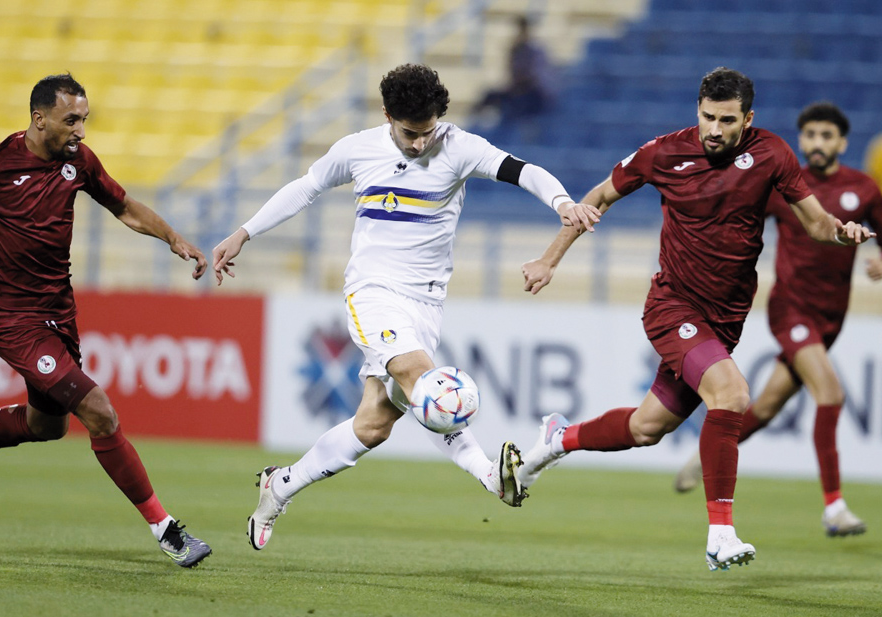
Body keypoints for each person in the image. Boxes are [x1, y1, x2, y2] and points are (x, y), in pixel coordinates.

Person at [210, 63, 600, 550]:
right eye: (410, 133)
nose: (420, 144)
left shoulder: (459, 147)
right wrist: (244, 231)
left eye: (428, 131)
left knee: (373, 425)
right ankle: (490, 478)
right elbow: (304, 188)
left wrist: (561, 203)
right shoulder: (358, 149)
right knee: (424, 379)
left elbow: (523, 171)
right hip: (373, 291)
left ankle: (280, 486)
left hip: (426, 303)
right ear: (387, 115)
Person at [515, 68, 876, 571]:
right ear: (697, 110)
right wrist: (550, 258)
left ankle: (556, 440)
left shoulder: (771, 153)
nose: (714, 129)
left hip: (724, 321)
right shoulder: (663, 153)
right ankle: (720, 535)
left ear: (747, 119)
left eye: (727, 120)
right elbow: (595, 198)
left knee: (646, 428)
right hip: (673, 307)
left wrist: (844, 235)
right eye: (707, 116)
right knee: (731, 395)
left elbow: (817, 224)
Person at [0, 74, 213, 568]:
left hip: (58, 317)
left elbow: (125, 207)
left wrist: (172, 238)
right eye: (71, 120)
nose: (81, 131)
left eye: (84, 120)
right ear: (39, 119)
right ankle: (167, 530)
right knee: (100, 411)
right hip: (12, 321)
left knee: (46, 426)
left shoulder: (79, 162)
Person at [673, 102, 882, 538]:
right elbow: (734, 216)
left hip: (831, 319)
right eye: (810, 135)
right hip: (790, 310)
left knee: (766, 407)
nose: (818, 144)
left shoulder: (863, 190)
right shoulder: (786, 185)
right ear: (802, 140)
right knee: (830, 392)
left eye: (827, 136)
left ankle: (701, 456)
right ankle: (834, 507)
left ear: (842, 143)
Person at [472, 16, 558, 122]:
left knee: (518, 106)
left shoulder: (535, 50)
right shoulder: (516, 49)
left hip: (536, 93)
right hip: (518, 90)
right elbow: (512, 75)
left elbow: (534, 75)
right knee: (490, 96)